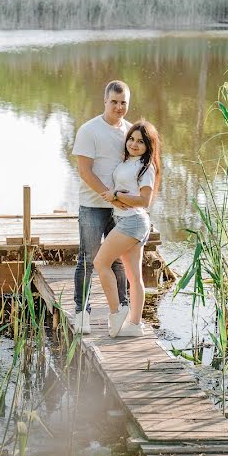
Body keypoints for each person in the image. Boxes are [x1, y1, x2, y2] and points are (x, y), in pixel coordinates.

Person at [71, 80, 133, 334]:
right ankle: (81, 313)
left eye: (123, 103)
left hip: (121, 208)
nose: (118, 107)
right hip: (93, 206)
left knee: (118, 261)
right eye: (114, 102)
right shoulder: (89, 130)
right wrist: (108, 196)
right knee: (88, 259)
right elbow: (84, 171)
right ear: (105, 101)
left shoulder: (130, 132)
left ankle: (121, 312)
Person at [93, 119, 162, 337]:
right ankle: (134, 325)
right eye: (131, 139)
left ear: (148, 145)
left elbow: (145, 200)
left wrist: (117, 195)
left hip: (134, 221)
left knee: (100, 262)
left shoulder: (145, 167)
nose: (134, 144)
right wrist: (116, 196)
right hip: (127, 220)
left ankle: (117, 310)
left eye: (140, 141)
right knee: (134, 276)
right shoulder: (128, 162)